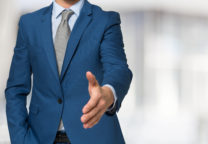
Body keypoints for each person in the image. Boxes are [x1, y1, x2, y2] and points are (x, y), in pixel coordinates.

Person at [5, 0, 132, 143]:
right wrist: (20, 139)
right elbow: (15, 89)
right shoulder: (29, 24)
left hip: (95, 136)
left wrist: (109, 92)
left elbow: (118, 69)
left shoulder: (105, 20)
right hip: (39, 138)